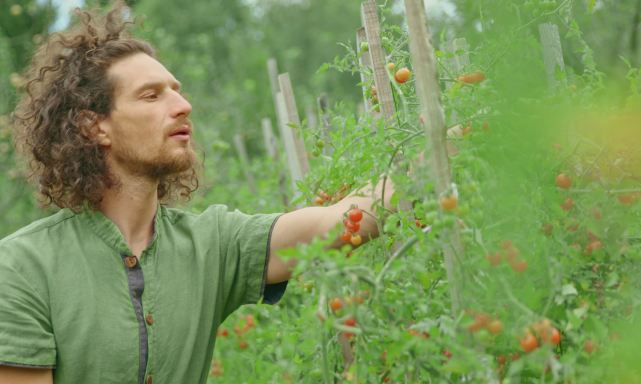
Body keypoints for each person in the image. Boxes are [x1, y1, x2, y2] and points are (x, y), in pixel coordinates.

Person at [0, 4, 394, 384]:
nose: (183, 106)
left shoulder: (213, 245)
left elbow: (339, 224)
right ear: (93, 126)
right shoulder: (24, 267)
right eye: (152, 96)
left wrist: (430, 158)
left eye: (177, 91)